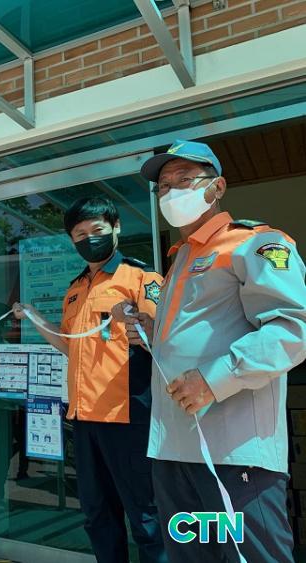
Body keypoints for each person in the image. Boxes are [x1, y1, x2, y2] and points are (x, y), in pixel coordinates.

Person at [118, 139, 306, 562]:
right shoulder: (180, 261)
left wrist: (213, 379)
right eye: (164, 186)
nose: (171, 192)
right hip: (173, 452)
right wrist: (150, 331)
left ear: (217, 187)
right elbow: (196, 336)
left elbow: (294, 328)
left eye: (184, 180)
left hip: (234, 454)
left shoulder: (255, 243)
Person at [13, 197, 167, 563]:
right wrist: (34, 317)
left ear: (116, 228)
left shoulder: (142, 278)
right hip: (83, 418)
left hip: (128, 416)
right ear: (72, 240)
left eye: (97, 230)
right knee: (97, 515)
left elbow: (164, 342)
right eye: (79, 234)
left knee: (147, 518)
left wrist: (141, 326)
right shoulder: (75, 290)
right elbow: (71, 345)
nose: (89, 239)